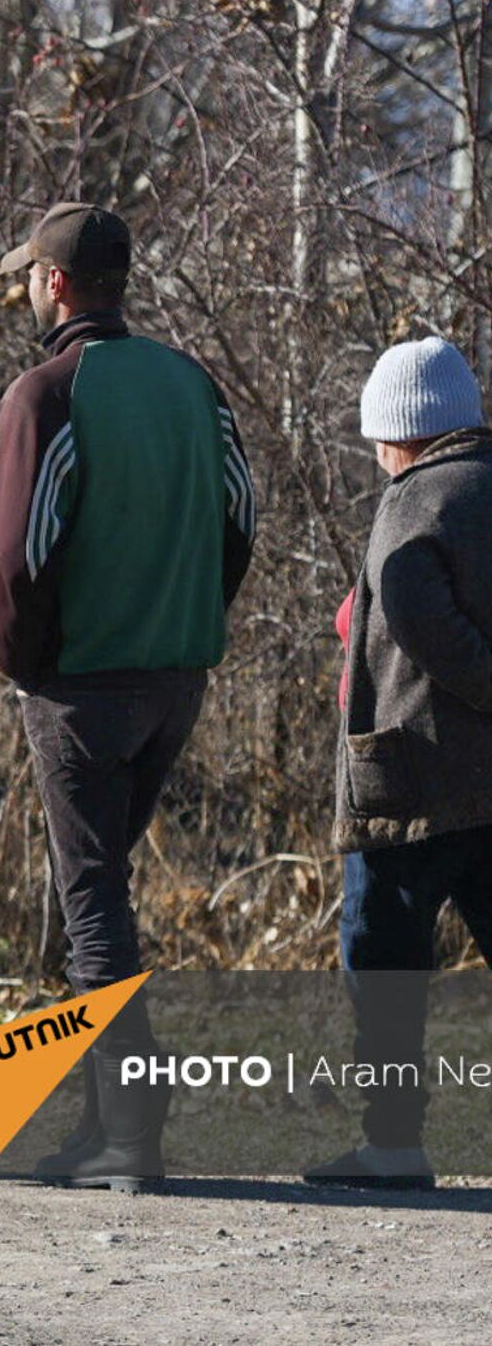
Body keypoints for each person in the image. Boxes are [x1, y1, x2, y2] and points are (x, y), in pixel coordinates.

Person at [0, 202, 256, 1189]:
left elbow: (16, 560)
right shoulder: (192, 382)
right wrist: (187, 618)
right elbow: (239, 518)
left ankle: (128, 1137)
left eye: (27, 274)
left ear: (53, 283)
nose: (23, 286)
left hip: (81, 684)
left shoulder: (43, 391)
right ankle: (97, 1123)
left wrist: (26, 664)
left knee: (91, 898)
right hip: (174, 677)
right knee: (98, 890)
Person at [305, 336, 492, 1192]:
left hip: (411, 779)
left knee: (382, 961)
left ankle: (393, 1143)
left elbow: (420, 614)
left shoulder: (414, 499)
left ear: (399, 433)